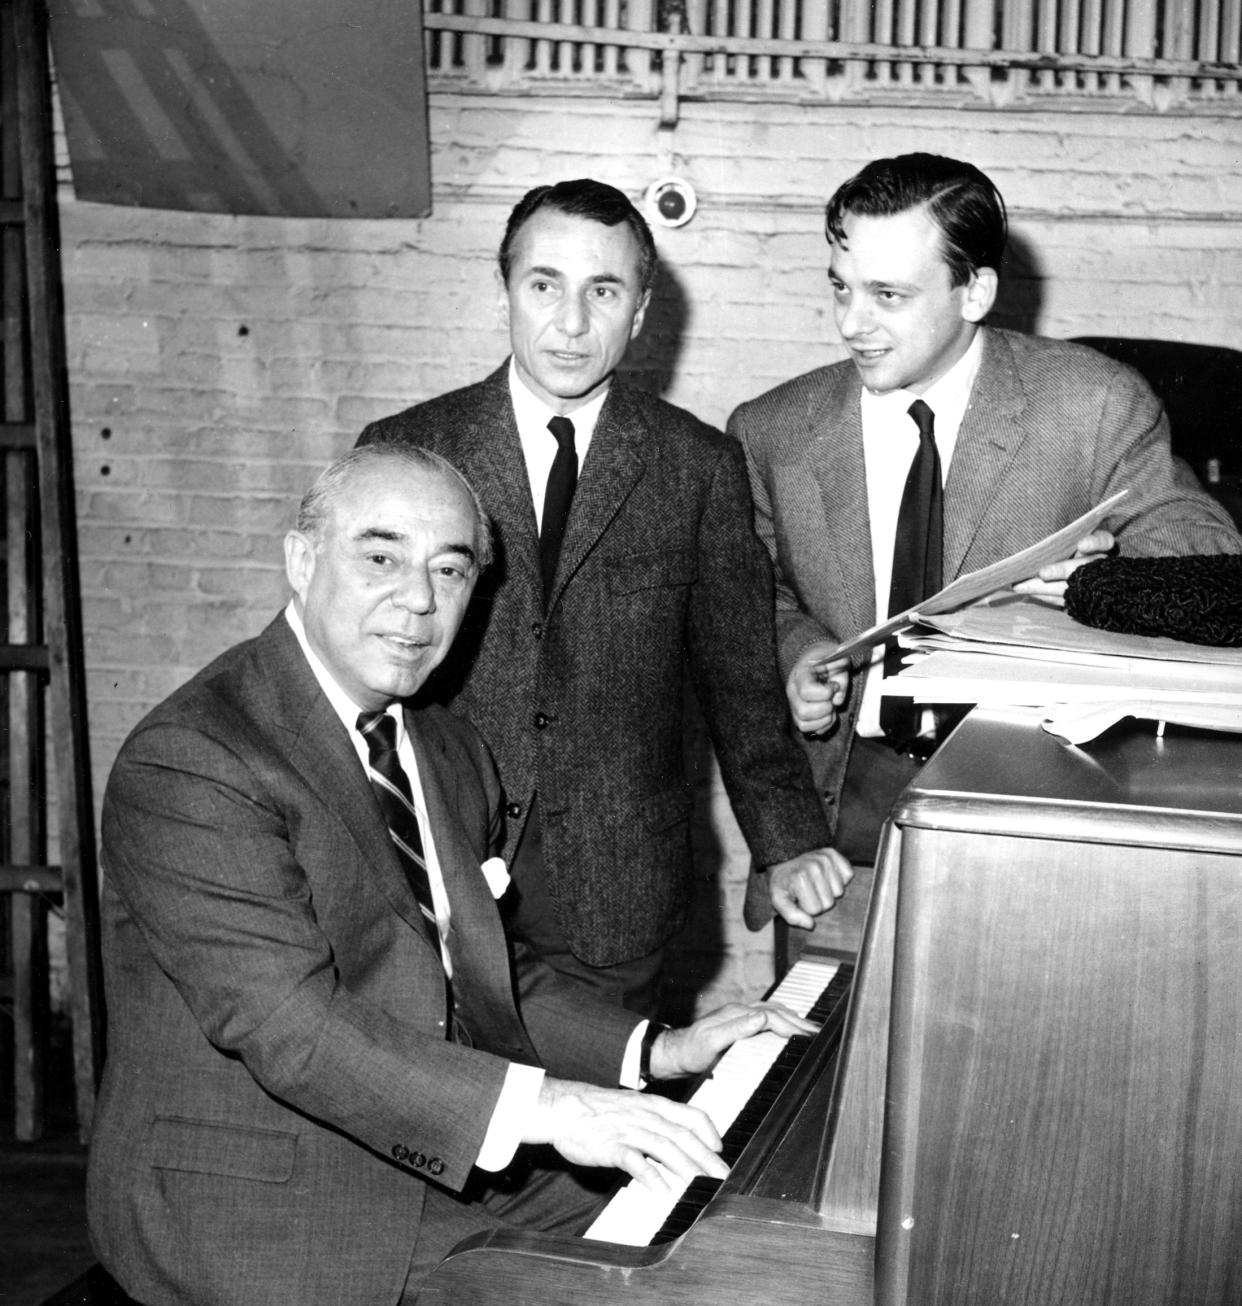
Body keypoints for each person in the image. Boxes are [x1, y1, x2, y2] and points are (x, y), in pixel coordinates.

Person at [85, 444, 817, 1306]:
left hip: (422, 1138)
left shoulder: (443, 747)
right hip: (261, 1194)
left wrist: (659, 1050)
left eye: (450, 568)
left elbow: (481, 974)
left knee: (724, 1220)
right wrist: (554, 1110)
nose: (419, 601)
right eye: (381, 557)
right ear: (302, 558)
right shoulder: (197, 760)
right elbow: (290, 1026)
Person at [359, 178, 849, 1016]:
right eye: (544, 285)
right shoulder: (408, 449)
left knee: (599, 1116)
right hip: (433, 858)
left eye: (604, 291)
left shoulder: (696, 466)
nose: (572, 323)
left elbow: (739, 680)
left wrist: (790, 842)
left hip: (617, 887)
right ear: (506, 289)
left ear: (643, 310)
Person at [728, 151, 1242, 920]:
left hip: (1043, 800)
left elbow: (1205, 544)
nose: (850, 323)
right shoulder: (769, 431)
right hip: (842, 812)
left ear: (976, 291)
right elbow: (751, 595)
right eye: (841, 285)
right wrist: (798, 649)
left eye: (888, 296)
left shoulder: (1093, 405)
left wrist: (1104, 581)